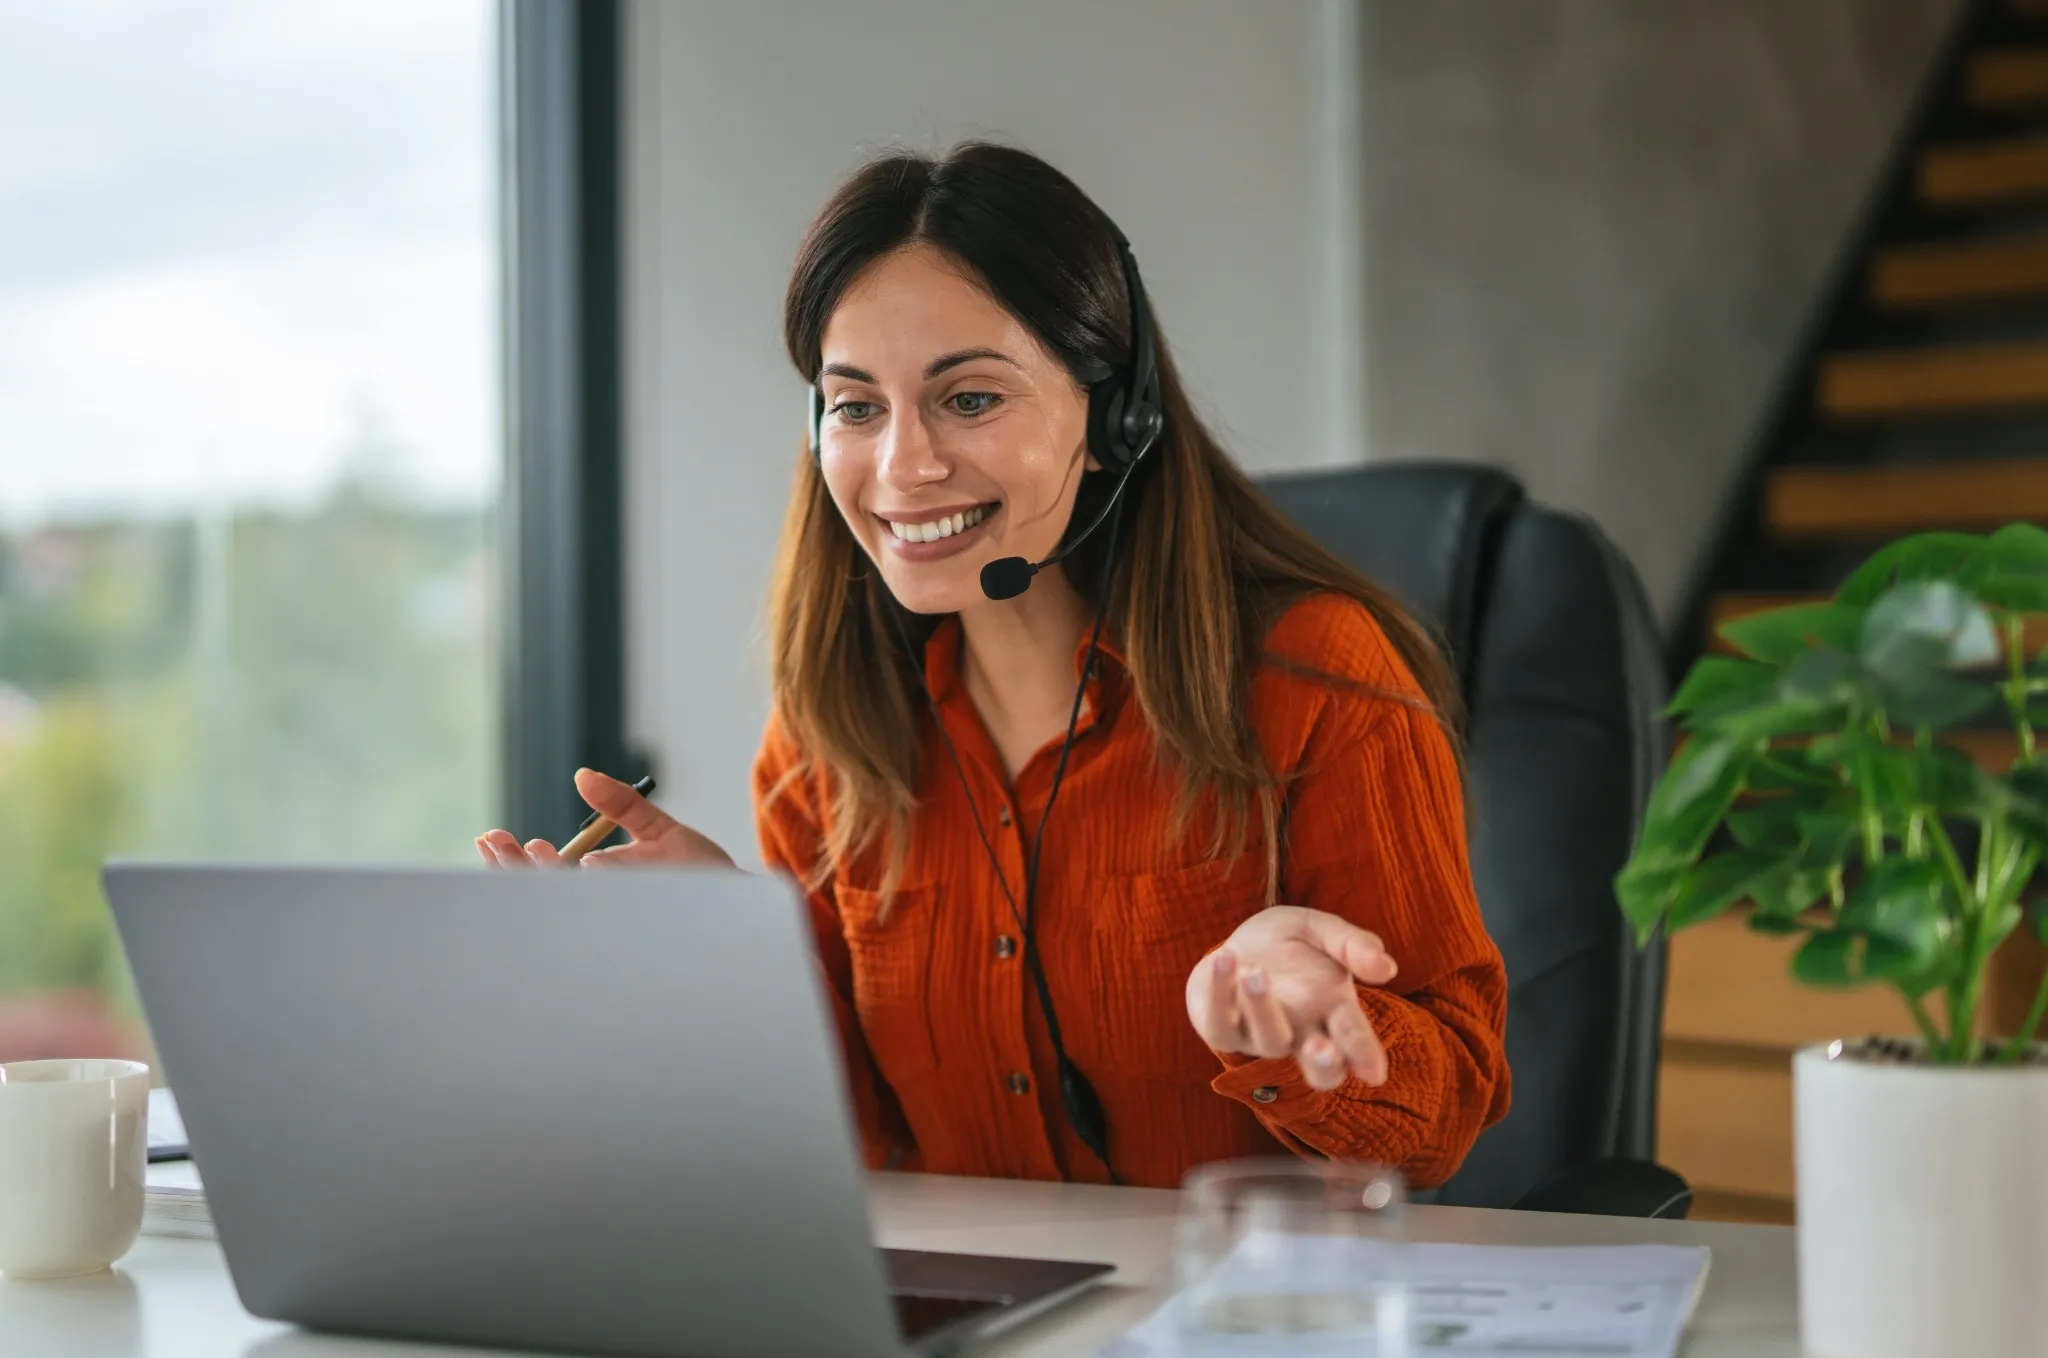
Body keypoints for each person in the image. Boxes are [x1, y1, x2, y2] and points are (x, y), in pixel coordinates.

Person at [480, 143, 1509, 1191]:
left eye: (968, 399)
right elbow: (854, 1145)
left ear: (1116, 416)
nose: (904, 467)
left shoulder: (1311, 677)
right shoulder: (825, 739)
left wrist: (1298, 1033)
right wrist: (720, 961)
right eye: (856, 406)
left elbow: (1443, 1120)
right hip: (970, 1329)